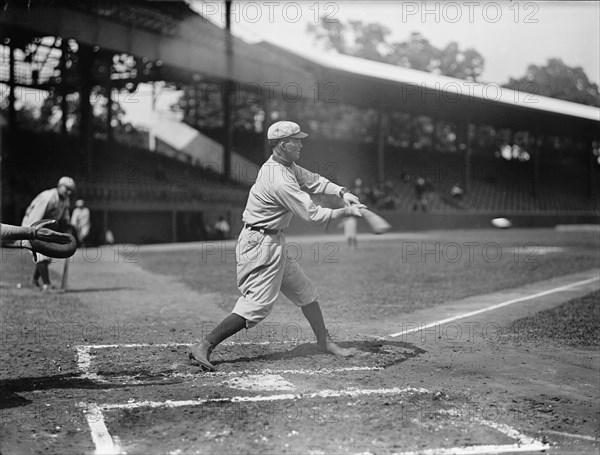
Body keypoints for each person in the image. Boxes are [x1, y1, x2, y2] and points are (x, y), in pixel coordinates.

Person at [189, 121, 365, 371]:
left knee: (306, 291)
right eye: (297, 139)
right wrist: (346, 212)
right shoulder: (279, 179)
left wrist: (342, 192)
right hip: (260, 244)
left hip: (273, 240)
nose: (302, 143)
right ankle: (204, 345)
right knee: (257, 306)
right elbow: (312, 215)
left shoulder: (287, 166)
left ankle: (324, 342)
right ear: (283, 144)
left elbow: (314, 181)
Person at [21, 176, 75, 290]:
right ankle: (47, 285)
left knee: (47, 256)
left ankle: (34, 281)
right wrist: (34, 234)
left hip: (45, 228)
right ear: (60, 186)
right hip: (31, 227)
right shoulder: (48, 197)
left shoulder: (65, 198)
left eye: (71, 190)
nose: (69, 192)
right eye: (67, 188)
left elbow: (65, 216)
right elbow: (34, 219)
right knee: (42, 256)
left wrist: (67, 224)